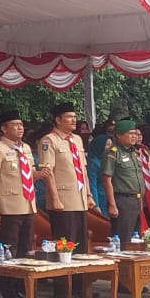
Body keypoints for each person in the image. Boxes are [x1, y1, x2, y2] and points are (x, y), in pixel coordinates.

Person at [0, 110, 38, 294]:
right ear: (4, 128)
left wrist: (41, 174)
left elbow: (28, 174)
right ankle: (9, 292)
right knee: (9, 250)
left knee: (26, 249)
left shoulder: (26, 148)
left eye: (21, 124)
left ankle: (24, 289)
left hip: (28, 204)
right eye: (15, 125)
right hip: (9, 207)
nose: (20, 128)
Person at [37, 102, 96, 250]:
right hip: (63, 201)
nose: (74, 120)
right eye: (69, 117)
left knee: (81, 245)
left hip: (80, 199)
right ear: (58, 120)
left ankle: (80, 267)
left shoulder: (77, 139)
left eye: (75, 117)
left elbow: (83, 170)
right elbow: (48, 173)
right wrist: (55, 199)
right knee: (66, 246)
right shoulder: (49, 140)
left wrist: (88, 195)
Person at [102, 120, 147, 243]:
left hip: (136, 200)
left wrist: (140, 201)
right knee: (123, 239)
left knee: (136, 239)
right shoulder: (113, 152)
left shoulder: (134, 152)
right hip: (122, 200)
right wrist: (112, 204)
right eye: (130, 133)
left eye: (135, 133)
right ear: (119, 135)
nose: (134, 136)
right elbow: (107, 179)